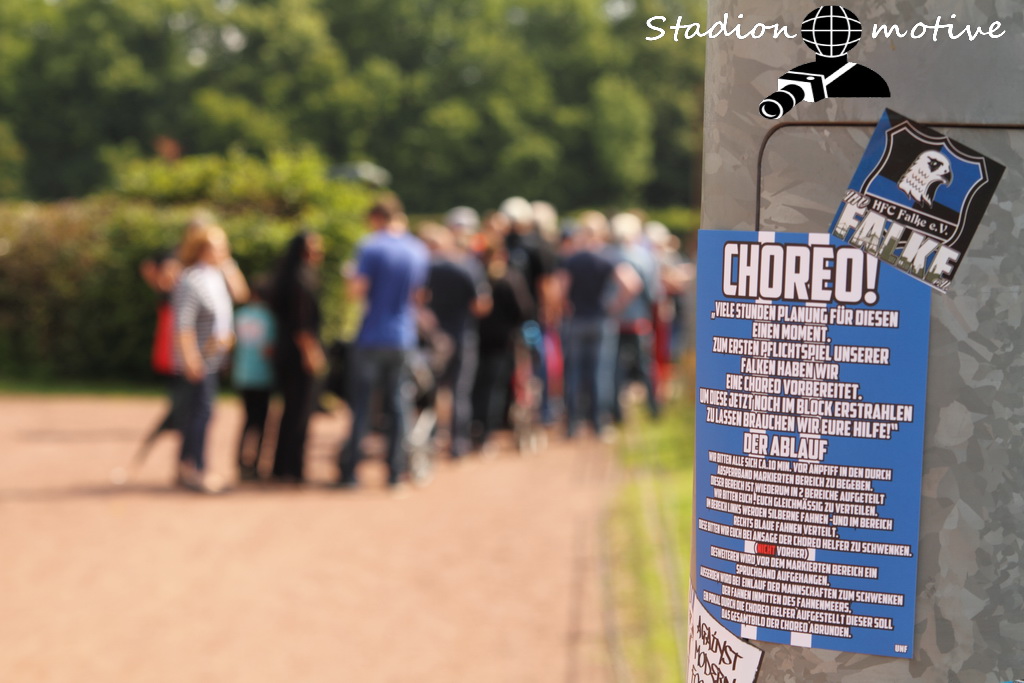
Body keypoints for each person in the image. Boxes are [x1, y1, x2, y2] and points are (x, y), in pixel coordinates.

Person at [336, 195, 429, 490]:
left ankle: (350, 472)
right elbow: (418, 296)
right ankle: (394, 472)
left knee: (362, 405)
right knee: (398, 405)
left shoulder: (370, 246)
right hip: (403, 336)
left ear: (376, 218)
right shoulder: (417, 249)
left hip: (371, 335)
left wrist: (348, 277)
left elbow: (356, 290)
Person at [557, 212, 641, 439]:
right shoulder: (609, 257)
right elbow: (632, 284)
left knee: (574, 371)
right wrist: (614, 306)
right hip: (601, 321)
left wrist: (567, 306)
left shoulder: (572, 259)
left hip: (577, 320)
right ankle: (598, 423)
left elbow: (560, 290)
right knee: (600, 372)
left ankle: (572, 424)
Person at [172, 224, 239, 492]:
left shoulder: (216, 276)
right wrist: (191, 359)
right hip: (199, 359)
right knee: (200, 414)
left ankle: (186, 467)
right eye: (218, 247)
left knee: (200, 413)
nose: (223, 251)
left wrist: (229, 265)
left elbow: (241, 293)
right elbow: (183, 324)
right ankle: (197, 469)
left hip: (212, 358)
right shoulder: (192, 279)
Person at [422, 221, 491, 459]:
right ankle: (458, 444)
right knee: (460, 392)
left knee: (432, 390)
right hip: (462, 335)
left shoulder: (429, 267)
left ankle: (430, 440)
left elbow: (419, 298)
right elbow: (481, 305)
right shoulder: (469, 267)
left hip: (435, 338)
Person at [270, 232, 326, 484]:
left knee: (290, 412)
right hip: (298, 355)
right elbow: (301, 324)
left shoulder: (289, 276)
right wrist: (311, 353)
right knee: (300, 412)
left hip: (286, 352)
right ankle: (293, 468)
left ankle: (282, 467)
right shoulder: (301, 279)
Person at [471, 242, 532, 451]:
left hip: (479, 339)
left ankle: (477, 426)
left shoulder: (478, 276)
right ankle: (489, 430)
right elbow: (524, 309)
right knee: (496, 388)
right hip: (502, 341)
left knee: (479, 385)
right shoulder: (510, 278)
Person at [610, 212, 661, 423]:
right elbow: (653, 293)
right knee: (645, 364)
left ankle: (616, 411)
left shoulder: (609, 255)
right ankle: (654, 408)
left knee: (615, 367)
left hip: (614, 320)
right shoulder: (645, 257)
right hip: (639, 321)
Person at [232, 277, 277, 481]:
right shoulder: (270, 318)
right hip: (263, 376)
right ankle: (255, 463)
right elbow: (270, 349)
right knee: (261, 422)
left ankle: (240, 461)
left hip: (242, 375)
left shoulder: (240, 315)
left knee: (247, 420)